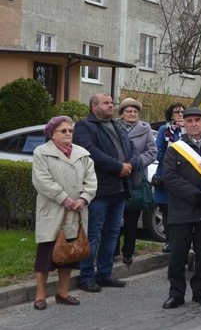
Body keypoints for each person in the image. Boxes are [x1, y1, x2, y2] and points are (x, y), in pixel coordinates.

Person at [73, 93, 139, 293]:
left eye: (112, 102)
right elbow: (90, 151)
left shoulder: (117, 125)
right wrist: (117, 166)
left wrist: (131, 164)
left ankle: (104, 274)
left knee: (112, 234)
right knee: (93, 235)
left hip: (120, 189)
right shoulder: (85, 126)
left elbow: (133, 148)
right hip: (99, 190)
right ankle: (86, 276)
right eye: (106, 103)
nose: (111, 106)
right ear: (94, 106)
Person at [161, 107, 201, 309]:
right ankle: (176, 293)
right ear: (184, 124)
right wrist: (194, 195)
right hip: (182, 209)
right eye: (189, 121)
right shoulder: (175, 149)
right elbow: (170, 177)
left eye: (198, 120)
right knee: (178, 254)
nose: (194, 124)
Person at [31, 116, 97, 310]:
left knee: (70, 253)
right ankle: (40, 296)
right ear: (52, 134)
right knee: (45, 255)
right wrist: (64, 199)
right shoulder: (42, 153)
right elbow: (42, 180)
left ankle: (63, 293)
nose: (68, 134)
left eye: (70, 131)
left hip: (76, 211)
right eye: (63, 131)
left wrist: (83, 198)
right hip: (53, 210)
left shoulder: (82, 154)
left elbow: (91, 180)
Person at [117, 98, 157, 265]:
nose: (132, 114)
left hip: (136, 177)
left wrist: (134, 163)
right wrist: (118, 164)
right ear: (122, 114)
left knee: (132, 217)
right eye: (128, 111)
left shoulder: (145, 129)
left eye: (135, 111)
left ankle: (128, 252)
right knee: (114, 217)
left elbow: (152, 151)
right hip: (116, 175)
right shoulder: (113, 127)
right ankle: (112, 251)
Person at [154, 103, 185, 252]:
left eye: (182, 112)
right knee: (166, 210)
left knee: (181, 210)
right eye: (177, 112)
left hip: (184, 174)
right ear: (170, 114)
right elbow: (158, 151)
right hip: (165, 173)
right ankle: (169, 241)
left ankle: (182, 241)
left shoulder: (187, 130)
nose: (180, 114)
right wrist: (170, 163)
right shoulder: (164, 130)